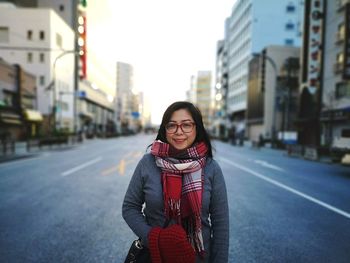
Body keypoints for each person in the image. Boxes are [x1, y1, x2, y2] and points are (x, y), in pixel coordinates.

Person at [122, 101, 229, 262]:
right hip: (155, 255)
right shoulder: (148, 163)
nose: (179, 132)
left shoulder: (211, 168)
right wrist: (153, 238)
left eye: (186, 125)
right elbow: (130, 207)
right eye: (172, 125)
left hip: (198, 258)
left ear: (197, 128)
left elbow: (221, 224)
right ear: (164, 130)